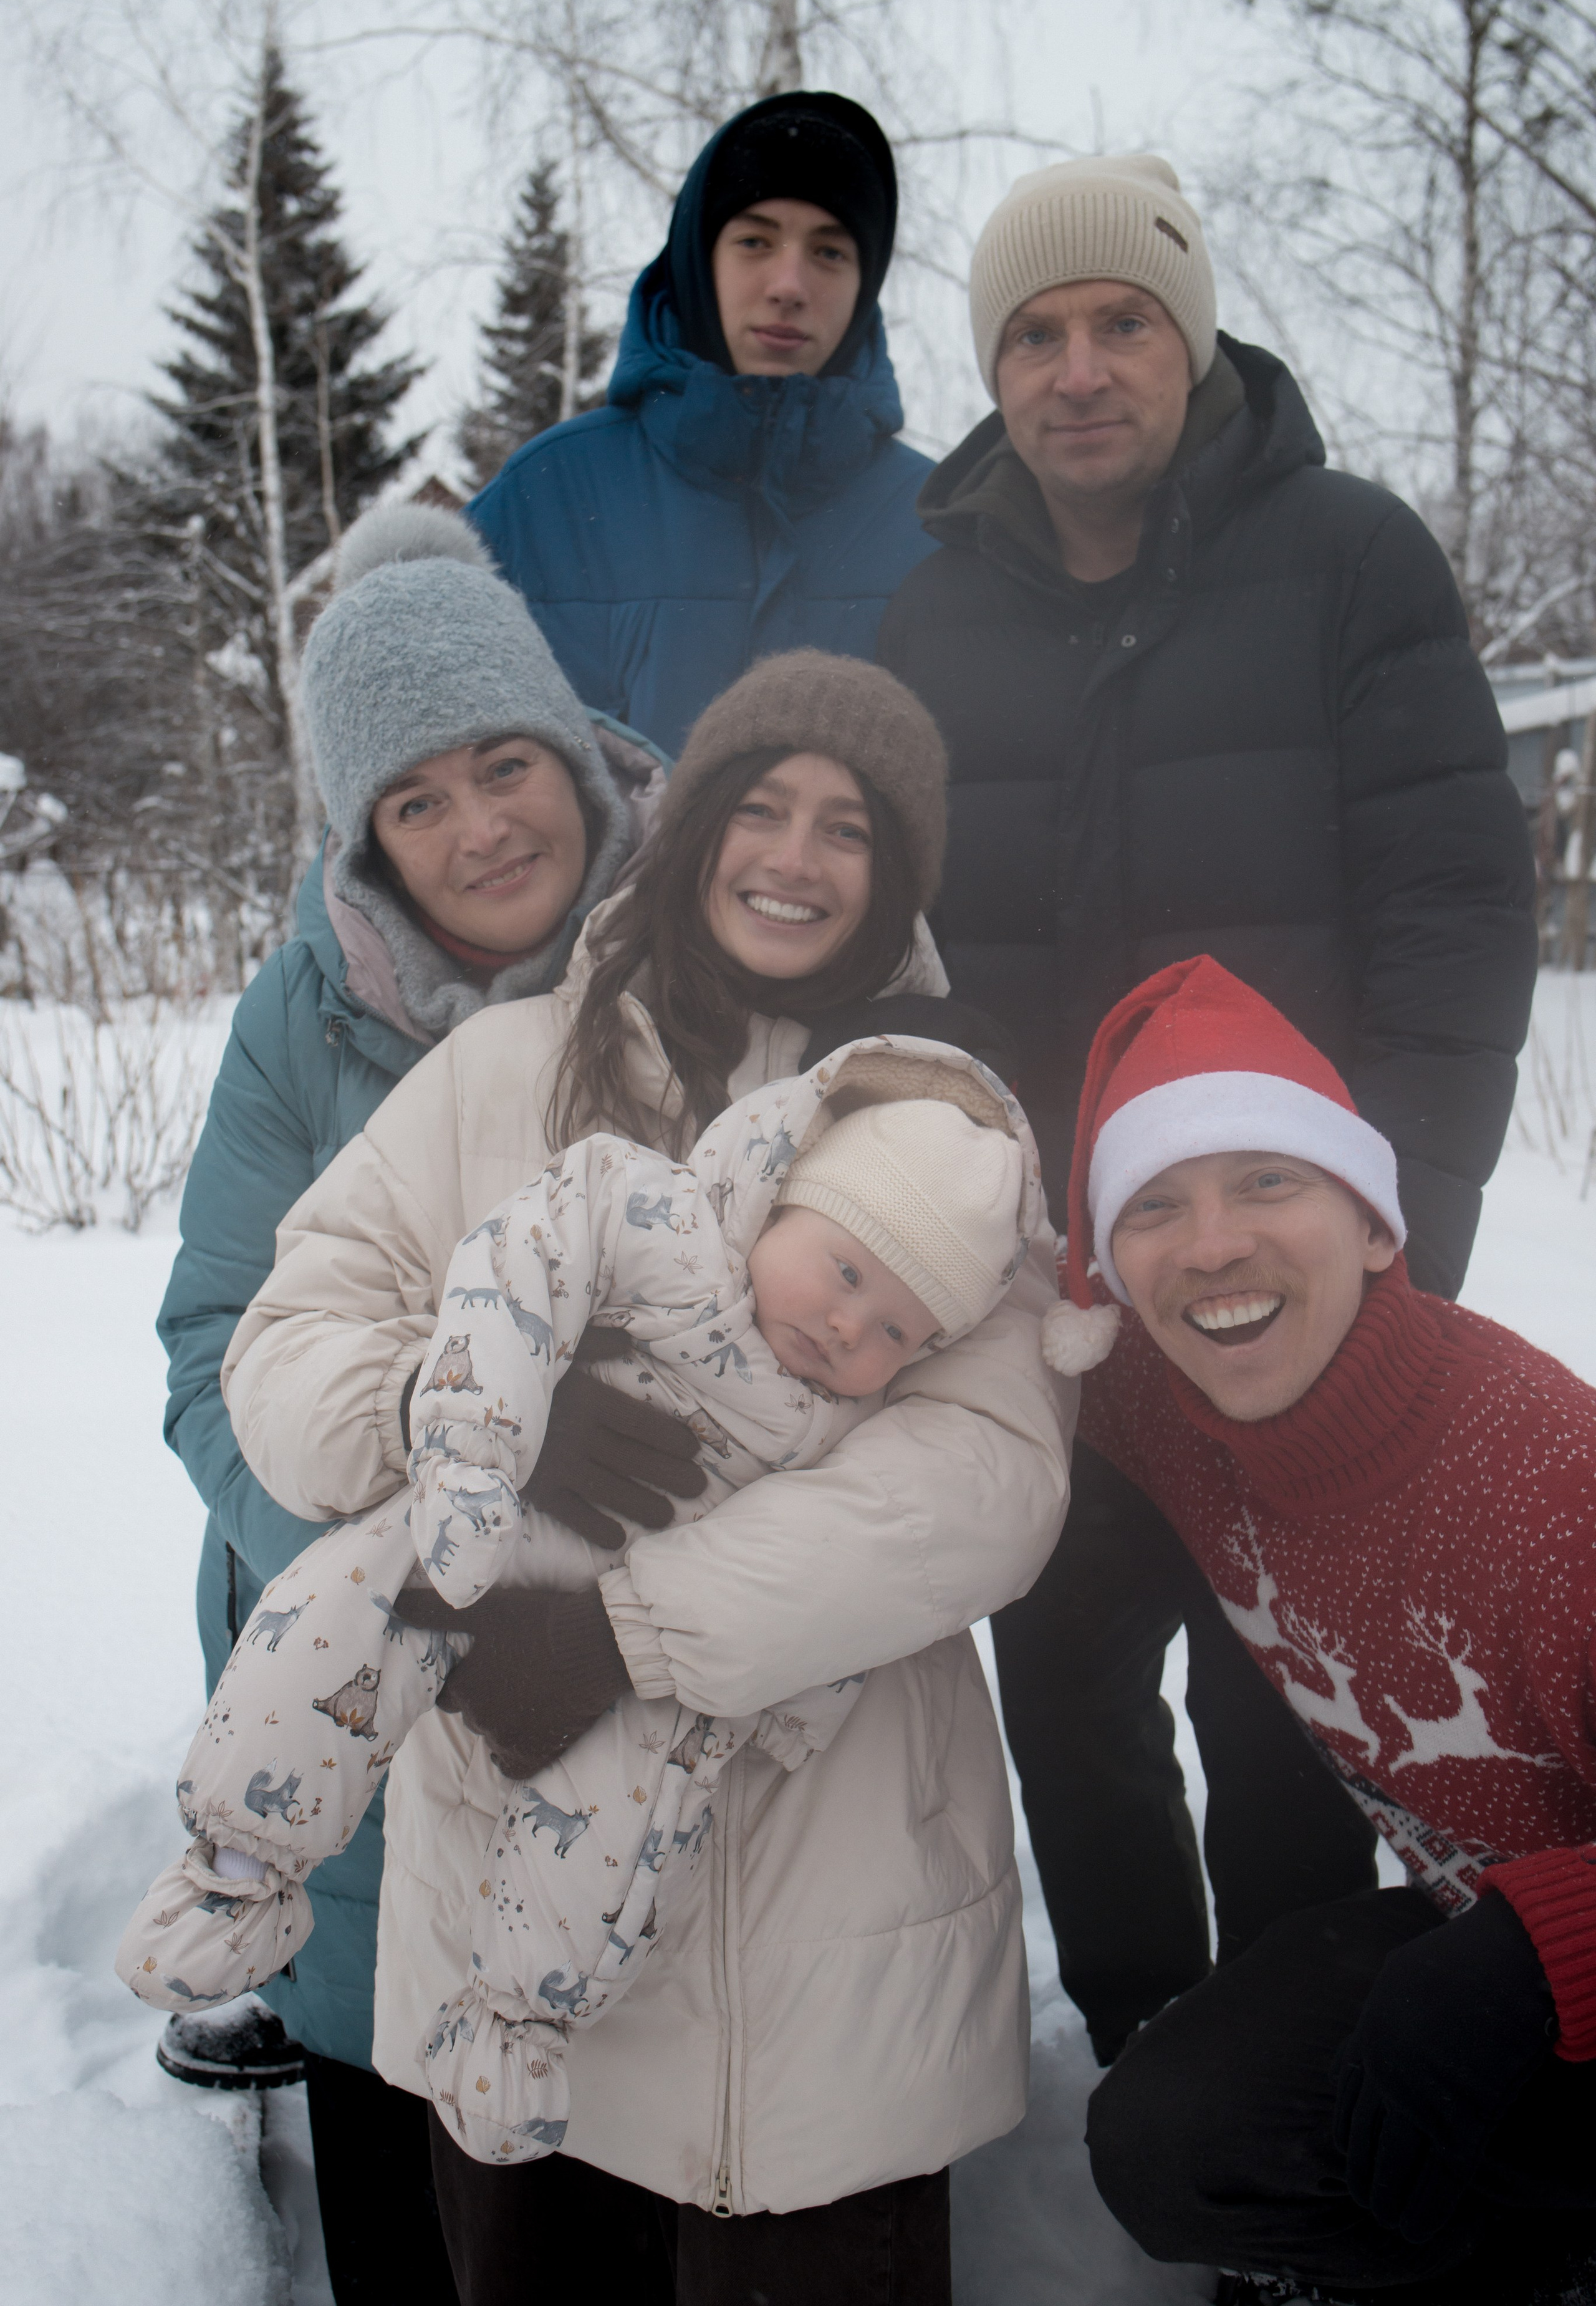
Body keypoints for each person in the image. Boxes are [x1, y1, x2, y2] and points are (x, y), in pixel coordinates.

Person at [215, 649, 1072, 2305]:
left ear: (895, 879)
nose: (795, 857)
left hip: (818, 2001)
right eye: (759, 806)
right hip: (518, 1946)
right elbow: (285, 1344)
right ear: (681, 831)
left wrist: (625, 1629)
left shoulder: (947, 1124)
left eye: (850, 829)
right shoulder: (497, 1074)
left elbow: (988, 1477)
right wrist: (450, 1404)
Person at [877, 150, 1541, 2062]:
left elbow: (1446, 907)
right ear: (993, 371)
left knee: (1284, 1713)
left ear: (1191, 338)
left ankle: (1291, 2077)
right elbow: (906, 968)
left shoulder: (1344, 556)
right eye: (1032, 335)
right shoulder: (929, 626)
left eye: (1119, 323)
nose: (1077, 369)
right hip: (1056, 1291)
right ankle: (1149, 2052)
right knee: (1069, 1687)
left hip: (1292, 1280)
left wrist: (1391, 1218)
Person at [123, 1048, 1041, 2182]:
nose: (853, 1330)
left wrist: (751, 1699)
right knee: (340, 1615)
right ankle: (236, 1870)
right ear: (783, 1198)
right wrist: (471, 1434)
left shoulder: (842, 1426)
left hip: (648, 1658)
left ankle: (516, 2024)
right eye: (844, 1270)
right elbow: (517, 1266)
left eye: (898, 1330)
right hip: (485, 1512)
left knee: (621, 1817)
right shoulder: (664, 1224)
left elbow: (877, 1559)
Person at [154, 498, 672, 2299]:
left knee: (609, 2124)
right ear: (361, 836)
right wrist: (417, 1566)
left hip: (639, 1679)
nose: (477, 825)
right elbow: (214, 1345)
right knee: (402, 2142)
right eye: (414, 797)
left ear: (577, 756)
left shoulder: (707, 955)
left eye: (503, 760)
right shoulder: (304, 1019)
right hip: (356, 1692)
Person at [1034, 954, 1596, 2306]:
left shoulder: (1543, 1480)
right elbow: (924, 1281)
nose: (1212, 1243)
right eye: (1155, 1207)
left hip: (1543, 1955)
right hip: (1484, 1952)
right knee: (1177, 2138)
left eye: (1267, 1181)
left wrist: (1534, 1954)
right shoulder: (1176, 1399)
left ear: (1377, 1227)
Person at [468, 92, 936, 755]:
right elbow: (405, 791)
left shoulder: (934, 524)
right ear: (698, 258)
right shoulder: (543, 502)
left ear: (867, 283)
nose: (789, 284)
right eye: (754, 241)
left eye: (830, 253)